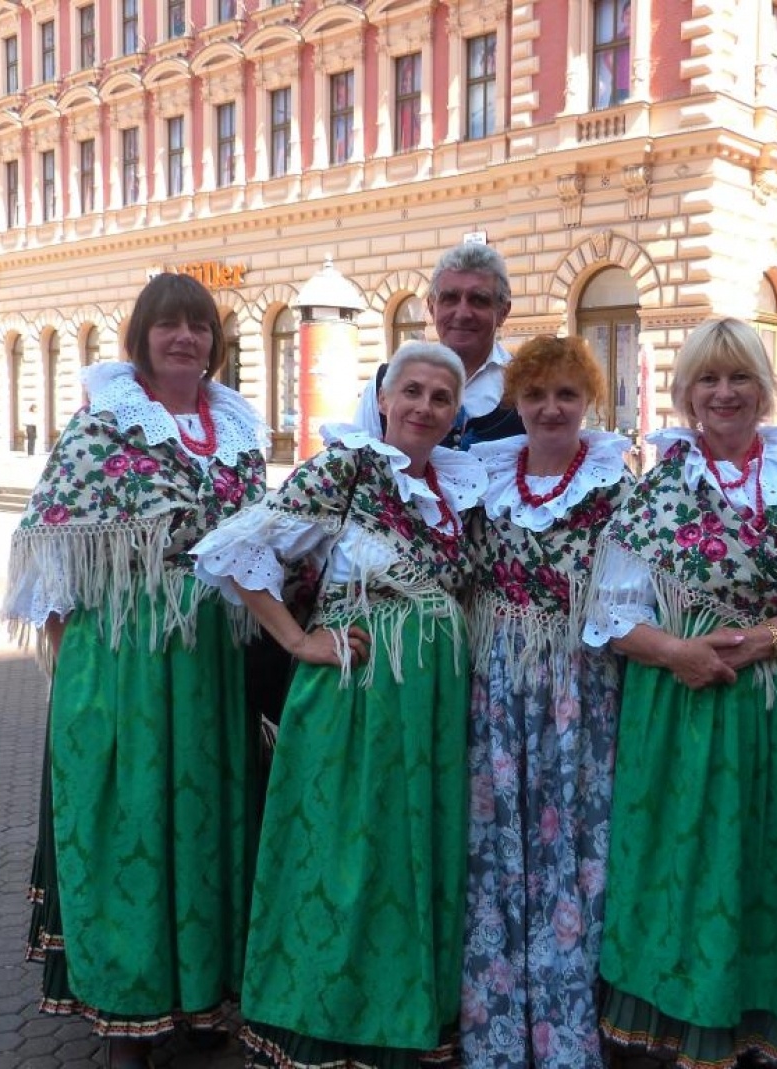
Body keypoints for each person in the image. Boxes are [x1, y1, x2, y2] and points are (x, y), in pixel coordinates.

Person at [582, 318, 777, 1068]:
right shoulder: (660, 485)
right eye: (708, 379)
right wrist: (677, 652)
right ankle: (689, 1007)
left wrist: (758, 641)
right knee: (688, 853)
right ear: (685, 392)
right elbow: (610, 616)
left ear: (764, 389)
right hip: (685, 703)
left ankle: (775, 1012)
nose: (724, 393)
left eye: (739, 378)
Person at [1, 272, 273, 1069]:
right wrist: (78, 670)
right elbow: (48, 541)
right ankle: (129, 1012)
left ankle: (200, 995)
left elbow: (256, 538)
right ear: (141, 336)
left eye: (198, 325)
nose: (185, 337)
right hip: (125, 656)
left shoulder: (238, 432)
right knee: (131, 825)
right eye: (169, 325)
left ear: (215, 340)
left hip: (212, 663)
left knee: (208, 824)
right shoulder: (102, 429)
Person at [192, 340, 488, 1069]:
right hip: (359, 696)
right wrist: (297, 639)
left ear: (455, 413)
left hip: (433, 701)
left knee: (410, 851)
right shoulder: (347, 467)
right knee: (343, 853)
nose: (423, 407)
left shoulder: (458, 487)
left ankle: (405, 1017)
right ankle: (323, 1020)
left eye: (440, 397)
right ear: (384, 399)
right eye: (410, 391)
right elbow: (234, 549)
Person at [460, 337, 631, 1069]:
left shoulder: (618, 485)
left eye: (566, 394)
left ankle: (571, 1019)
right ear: (517, 402)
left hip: (581, 682)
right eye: (537, 395)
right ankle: (501, 1016)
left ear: (586, 400)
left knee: (575, 840)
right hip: (502, 678)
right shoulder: (488, 479)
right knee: (500, 841)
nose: (552, 408)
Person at [354, 242, 525, 448]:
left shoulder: (527, 384)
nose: (462, 314)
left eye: (478, 300)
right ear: (431, 308)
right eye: (450, 298)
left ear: (503, 312)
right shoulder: (386, 382)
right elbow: (356, 467)